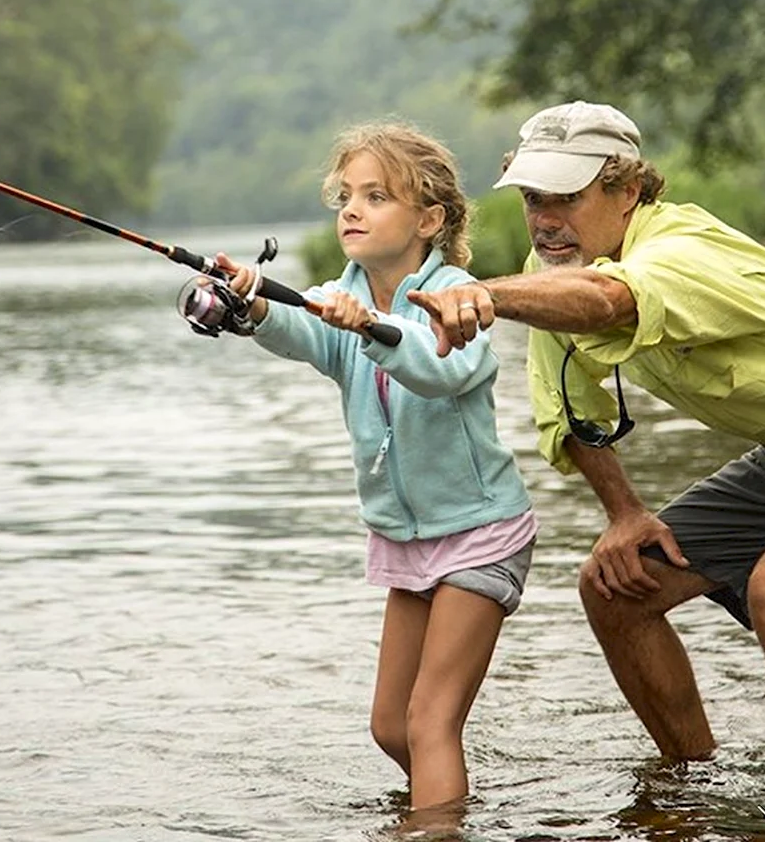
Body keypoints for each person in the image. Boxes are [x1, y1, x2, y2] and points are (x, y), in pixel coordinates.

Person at [407, 100, 765, 802]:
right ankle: (691, 789)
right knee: (615, 586)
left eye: (567, 196)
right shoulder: (551, 274)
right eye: (532, 197)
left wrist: (480, 292)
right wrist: (624, 513)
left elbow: (611, 300)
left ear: (629, 190)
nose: (546, 216)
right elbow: (570, 413)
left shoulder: (679, 249)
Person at [213, 121, 538, 820]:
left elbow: (437, 366)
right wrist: (252, 302)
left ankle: (435, 824)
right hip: (406, 538)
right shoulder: (342, 292)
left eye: (375, 196)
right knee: (392, 726)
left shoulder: (458, 295)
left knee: (429, 722)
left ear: (429, 219)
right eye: (345, 196)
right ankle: (453, 807)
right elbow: (299, 327)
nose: (351, 210)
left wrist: (367, 329)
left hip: (482, 531)